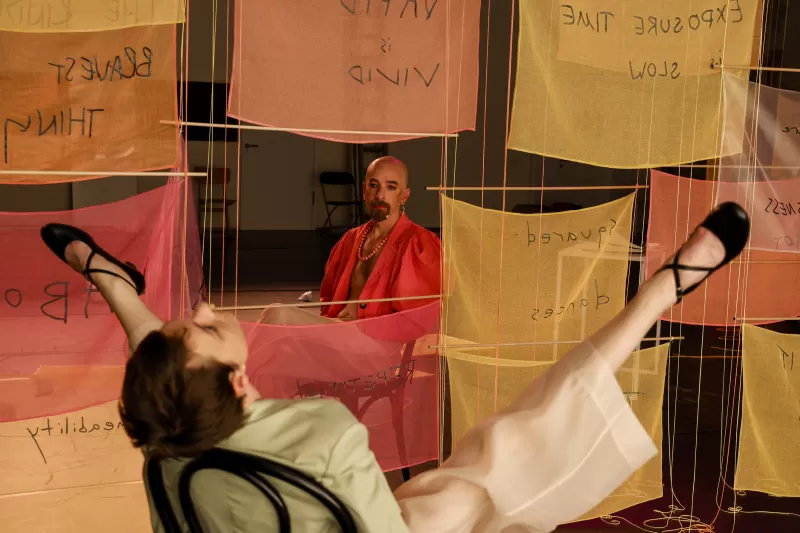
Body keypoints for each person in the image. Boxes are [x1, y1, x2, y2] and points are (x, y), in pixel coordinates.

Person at [38, 200, 750, 533]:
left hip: (248, 496)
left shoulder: (169, 435)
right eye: (202, 327)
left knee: (159, 367)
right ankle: (662, 291)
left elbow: (159, 364)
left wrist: (119, 291)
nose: (200, 309)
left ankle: (110, 278)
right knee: (515, 449)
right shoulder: (322, 432)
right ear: (239, 381)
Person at [259, 156, 441, 325]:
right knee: (276, 319)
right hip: (340, 331)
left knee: (278, 314)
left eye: (391, 187)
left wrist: (363, 326)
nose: (380, 195)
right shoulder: (351, 239)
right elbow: (328, 298)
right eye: (373, 185)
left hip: (379, 341)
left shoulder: (420, 243)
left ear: (404, 196)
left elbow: (418, 319)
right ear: (364, 191)